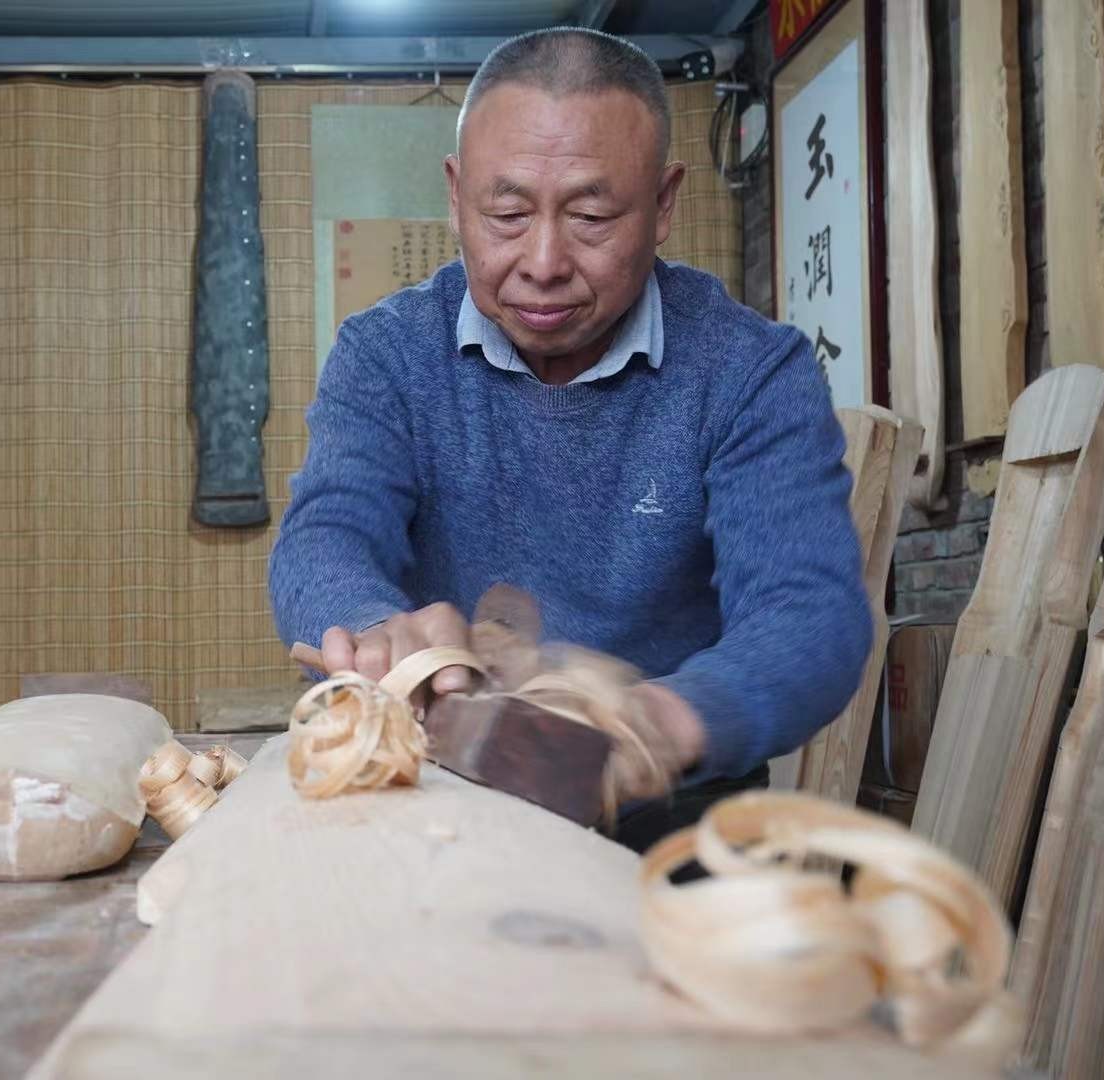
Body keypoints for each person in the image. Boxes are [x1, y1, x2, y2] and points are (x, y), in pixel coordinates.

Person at [267, 26, 874, 851]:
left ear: (663, 203)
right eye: (507, 214)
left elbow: (809, 615)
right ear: (456, 195)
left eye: (591, 216)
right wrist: (377, 633)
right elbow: (322, 540)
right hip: (438, 808)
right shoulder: (387, 354)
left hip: (672, 821)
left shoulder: (749, 371)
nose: (544, 261)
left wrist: (651, 725)